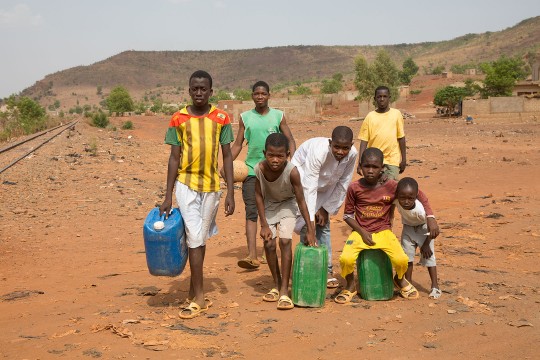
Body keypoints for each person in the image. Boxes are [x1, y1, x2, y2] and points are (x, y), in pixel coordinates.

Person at [159, 70, 235, 319]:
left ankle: (193, 291)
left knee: (200, 238)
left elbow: (226, 156)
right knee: (193, 236)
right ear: (189, 90)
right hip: (186, 184)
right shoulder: (178, 119)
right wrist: (168, 195)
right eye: (195, 89)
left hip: (212, 186)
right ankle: (199, 299)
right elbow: (173, 158)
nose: (199, 93)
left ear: (211, 92)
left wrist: (230, 192)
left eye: (204, 89)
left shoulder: (222, 118)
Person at [335, 148, 438, 303]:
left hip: (384, 232)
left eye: (375, 167)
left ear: (382, 168)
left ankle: (399, 279)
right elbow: (348, 216)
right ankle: (350, 285)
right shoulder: (354, 188)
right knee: (346, 259)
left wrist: (430, 217)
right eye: (367, 166)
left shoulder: (391, 186)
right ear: (360, 166)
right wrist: (362, 232)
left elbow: (418, 194)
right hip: (360, 232)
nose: (370, 171)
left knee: (402, 260)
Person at [227, 81, 296, 270]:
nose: (259, 97)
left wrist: (292, 161)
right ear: (252, 96)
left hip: (275, 172)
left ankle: (269, 251)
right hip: (251, 170)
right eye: (256, 93)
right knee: (252, 211)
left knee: (272, 209)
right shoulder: (245, 117)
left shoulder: (278, 116)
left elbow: (289, 139)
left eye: (263, 93)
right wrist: (226, 165)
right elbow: (239, 144)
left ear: (268, 95)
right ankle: (252, 255)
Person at [254, 133, 315, 310]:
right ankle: (276, 282)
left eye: (280, 156)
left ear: (287, 155)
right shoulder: (259, 169)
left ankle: (284, 291)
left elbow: (301, 201)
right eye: (271, 155)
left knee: (286, 240)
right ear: (265, 153)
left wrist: (310, 228)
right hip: (269, 205)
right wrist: (264, 224)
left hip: (288, 204)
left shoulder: (292, 171)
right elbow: (258, 195)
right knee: (269, 243)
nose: (275, 160)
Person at [291, 126, 358, 288]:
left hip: (327, 187)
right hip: (303, 181)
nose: (341, 152)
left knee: (324, 225)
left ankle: (327, 271)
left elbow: (343, 182)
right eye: (337, 147)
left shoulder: (353, 154)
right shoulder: (318, 152)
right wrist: (310, 224)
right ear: (330, 143)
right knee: (307, 227)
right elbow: (310, 187)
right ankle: (307, 268)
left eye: (345, 148)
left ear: (351, 145)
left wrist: (327, 208)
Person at [396, 177, 441, 299]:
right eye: (402, 198)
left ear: (416, 196)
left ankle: (435, 286)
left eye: (410, 198)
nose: (406, 202)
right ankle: (408, 283)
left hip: (424, 230)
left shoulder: (420, 210)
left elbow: (434, 230)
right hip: (408, 229)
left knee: (429, 257)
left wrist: (426, 244)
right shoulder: (396, 200)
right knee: (407, 258)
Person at [357, 86, 406, 180]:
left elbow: (401, 138)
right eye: (379, 97)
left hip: (392, 160)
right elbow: (364, 141)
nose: (382, 99)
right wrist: (360, 162)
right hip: (374, 160)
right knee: (375, 189)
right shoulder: (370, 117)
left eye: (385, 96)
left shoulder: (396, 114)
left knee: (390, 188)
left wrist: (404, 159)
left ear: (389, 98)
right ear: (375, 99)